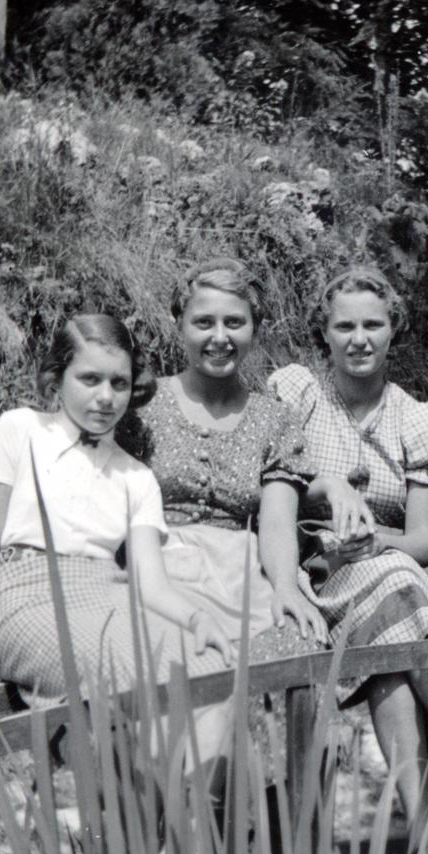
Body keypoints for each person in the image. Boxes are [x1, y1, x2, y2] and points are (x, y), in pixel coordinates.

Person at [0, 314, 234, 717]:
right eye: (90, 379)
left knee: (206, 669)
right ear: (58, 378)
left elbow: (151, 587)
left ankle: (184, 781)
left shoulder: (137, 478)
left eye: (119, 383)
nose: (106, 396)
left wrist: (198, 619)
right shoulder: (20, 430)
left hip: (110, 597)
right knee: (119, 670)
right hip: (26, 597)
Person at [268, 264, 428, 827]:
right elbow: (269, 494)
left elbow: (421, 540)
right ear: (324, 331)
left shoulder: (416, 419)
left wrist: (370, 544)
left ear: (393, 329)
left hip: (393, 569)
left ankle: (424, 832)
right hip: (313, 569)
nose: (359, 339)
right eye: (345, 326)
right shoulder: (298, 393)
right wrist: (328, 497)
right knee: (395, 595)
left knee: (393, 601)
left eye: (373, 325)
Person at [131, 257, 326, 667]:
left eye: (234, 323)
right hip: (157, 575)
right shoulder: (143, 405)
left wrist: (286, 589)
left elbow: (276, 522)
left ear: (254, 329)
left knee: (294, 646)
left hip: (241, 579)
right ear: (179, 325)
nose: (220, 337)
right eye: (204, 323)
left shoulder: (275, 418)